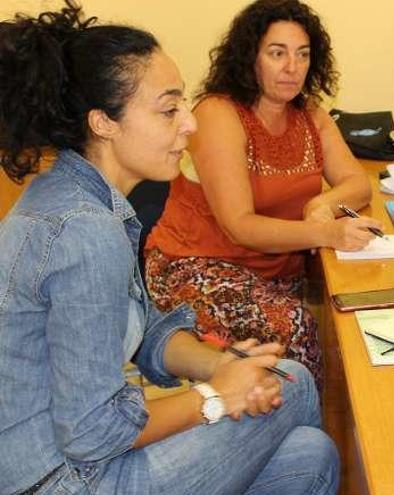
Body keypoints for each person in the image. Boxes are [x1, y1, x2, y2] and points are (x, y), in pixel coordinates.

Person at [0, 3, 339, 493]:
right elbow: (94, 434)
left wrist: (222, 364)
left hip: (71, 459)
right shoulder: (84, 229)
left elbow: (143, 331)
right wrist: (213, 397)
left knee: (311, 453)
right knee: (295, 384)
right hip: (60, 480)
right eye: (168, 109)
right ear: (103, 123)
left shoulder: (81, 197)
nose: (190, 124)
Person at [144, 0, 378, 387]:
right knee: (297, 325)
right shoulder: (219, 113)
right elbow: (239, 226)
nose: (292, 67)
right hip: (196, 264)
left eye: (303, 54)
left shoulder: (311, 115)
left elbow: (358, 184)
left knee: (355, 313)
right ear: (250, 57)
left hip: (275, 273)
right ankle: (301, 437)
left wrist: (320, 203)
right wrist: (326, 232)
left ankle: (293, 426)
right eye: (277, 53)